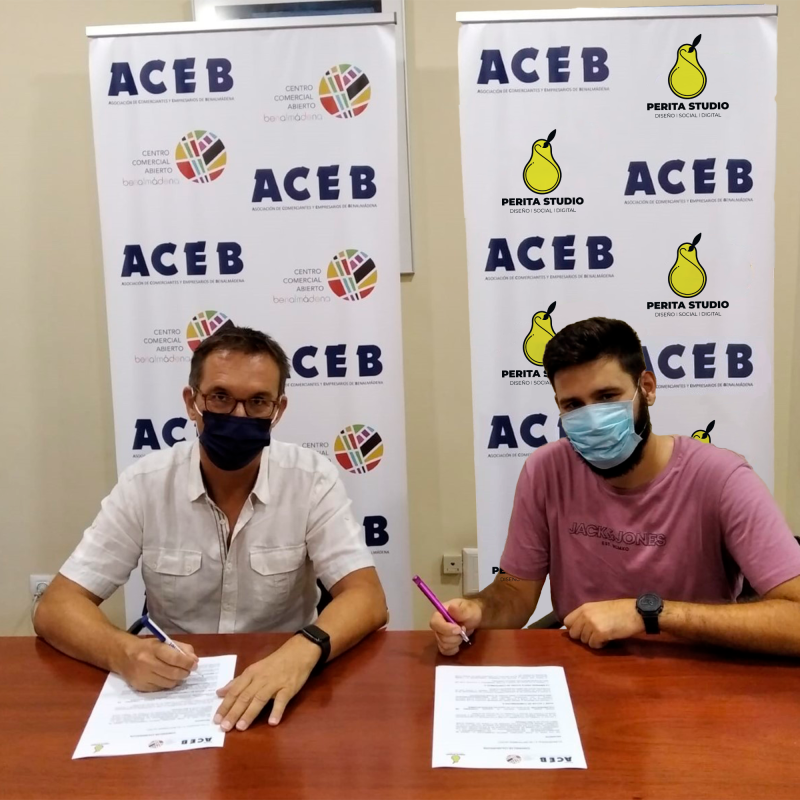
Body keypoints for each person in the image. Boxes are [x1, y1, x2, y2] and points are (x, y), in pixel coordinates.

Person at [35, 326, 387, 731]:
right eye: (220, 397)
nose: (238, 415)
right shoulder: (146, 484)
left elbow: (367, 598)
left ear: (278, 410)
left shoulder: (311, 479)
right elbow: (56, 607)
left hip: (283, 685)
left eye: (258, 402)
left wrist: (301, 651)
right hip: (175, 689)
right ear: (192, 402)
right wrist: (123, 651)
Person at [431, 317, 800, 656]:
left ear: (647, 388)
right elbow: (514, 591)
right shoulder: (545, 471)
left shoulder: (722, 479)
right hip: (583, 677)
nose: (592, 419)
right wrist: (476, 610)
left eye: (607, 397)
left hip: (694, 680)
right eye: (573, 405)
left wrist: (649, 614)